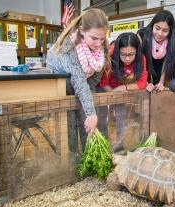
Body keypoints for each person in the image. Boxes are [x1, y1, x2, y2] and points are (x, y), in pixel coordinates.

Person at [46, 8, 110, 152]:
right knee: (70, 125)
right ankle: (73, 157)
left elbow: (97, 73)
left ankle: (88, 153)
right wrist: (91, 113)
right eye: (94, 38)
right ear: (81, 30)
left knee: (86, 122)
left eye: (102, 38)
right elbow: (78, 79)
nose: (99, 43)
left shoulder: (101, 44)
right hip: (64, 86)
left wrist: (88, 111)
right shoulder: (69, 47)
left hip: (84, 84)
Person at [98, 32, 148, 151]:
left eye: (131, 54)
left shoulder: (141, 59)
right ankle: (104, 144)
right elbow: (103, 83)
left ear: (137, 52)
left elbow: (142, 82)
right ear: (117, 52)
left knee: (121, 115)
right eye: (123, 54)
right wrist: (114, 93)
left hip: (121, 88)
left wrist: (123, 88)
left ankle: (120, 144)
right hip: (105, 88)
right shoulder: (110, 57)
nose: (127, 58)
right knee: (102, 116)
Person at [137, 10, 175, 92]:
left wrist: (161, 82)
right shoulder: (142, 35)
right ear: (153, 25)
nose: (160, 33)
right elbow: (138, 61)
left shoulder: (170, 41)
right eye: (157, 28)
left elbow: (166, 63)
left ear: (170, 32)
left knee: (157, 90)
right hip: (142, 69)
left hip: (159, 70)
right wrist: (145, 82)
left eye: (165, 31)